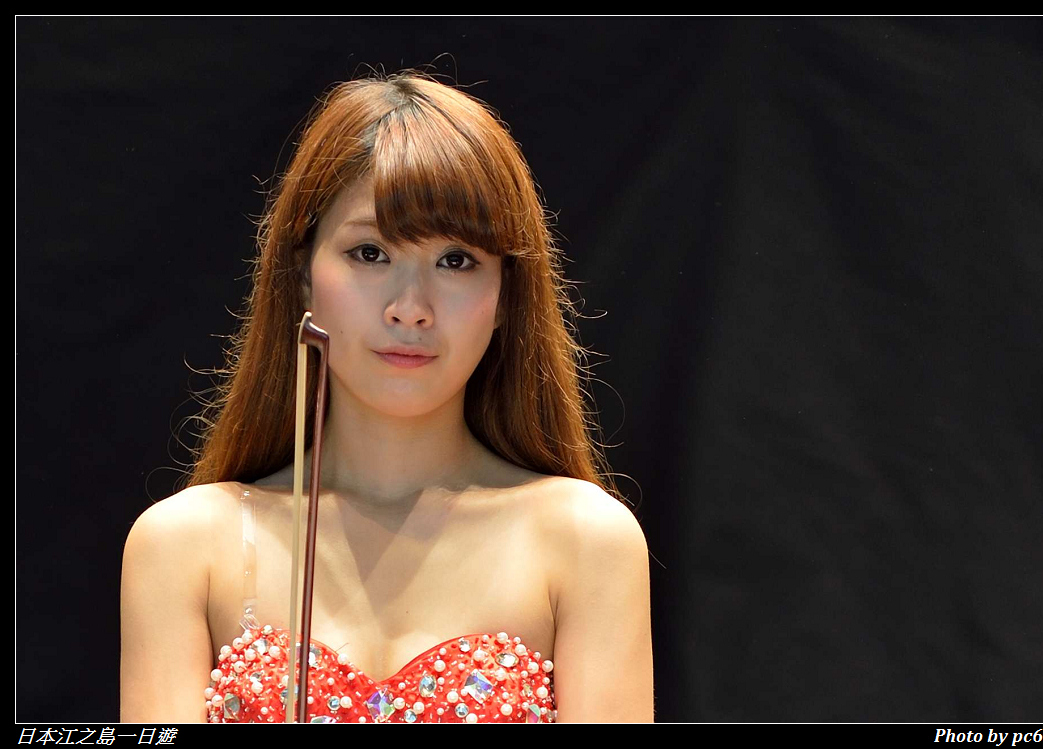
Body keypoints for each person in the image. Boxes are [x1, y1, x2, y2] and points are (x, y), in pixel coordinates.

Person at [119, 70, 654, 723]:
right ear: (302, 275)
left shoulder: (585, 542)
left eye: (456, 260)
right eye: (370, 252)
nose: (410, 307)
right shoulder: (185, 548)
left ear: (505, 297)